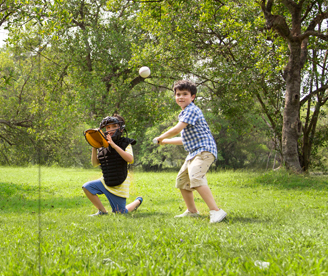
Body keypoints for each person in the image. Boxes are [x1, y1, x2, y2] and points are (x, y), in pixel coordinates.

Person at [152, 80, 227, 223]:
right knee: (182, 180)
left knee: (196, 177)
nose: (181, 97)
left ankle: (216, 211)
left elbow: (176, 129)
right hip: (194, 153)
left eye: (185, 94)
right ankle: (192, 211)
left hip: (204, 150)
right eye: (178, 94)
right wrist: (164, 141)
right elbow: (184, 139)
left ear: (192, 97)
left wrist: (161, 137)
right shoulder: (184, 113)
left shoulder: (191, 110)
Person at [82, 115, 144, 215]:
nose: (110, 129)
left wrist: (114, 145)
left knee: (120, 213)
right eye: (108, 127)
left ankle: (137, 201)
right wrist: (94, 146)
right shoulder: (103, 145)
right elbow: (94, 163)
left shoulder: (125, 143)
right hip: (106, 181)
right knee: (87, 187)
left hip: (119, 184)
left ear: (121, 128)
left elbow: (130, 159)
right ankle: (102, 211)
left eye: (114, 126)